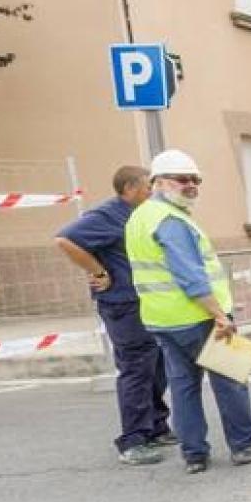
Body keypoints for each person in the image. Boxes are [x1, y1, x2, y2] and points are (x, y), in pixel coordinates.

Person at [125, 149, 251, 474]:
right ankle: (245, 444)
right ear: (160, 182)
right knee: (231, 380)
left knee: (183, 386)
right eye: (183, 179)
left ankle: (194, 454)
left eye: (196, 180)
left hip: (162, 320)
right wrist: (219, 315)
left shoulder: (140, 216)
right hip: (199, 317)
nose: (192, 185)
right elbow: (190, 275)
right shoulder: (170, 221)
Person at [55, 166, 174, 466]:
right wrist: (98, 271)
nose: (152, 192)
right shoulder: (107, 215)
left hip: (145, 301)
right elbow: (65, 240)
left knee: (157, 363)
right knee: (136, 367)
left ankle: (156, 426)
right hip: (122, 304)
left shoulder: (141, 214)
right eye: (148, 187)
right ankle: (133, 440)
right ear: (130, 189)